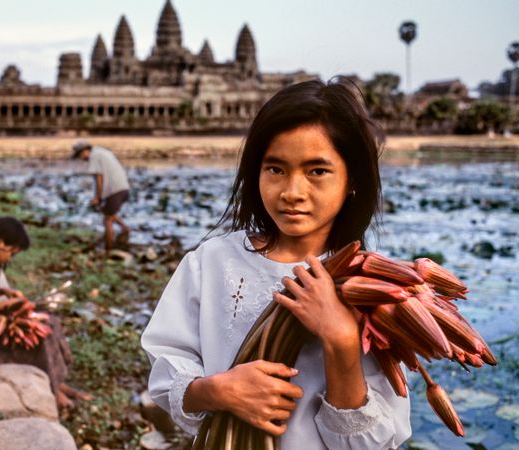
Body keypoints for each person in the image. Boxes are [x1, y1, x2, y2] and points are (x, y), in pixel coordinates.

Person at [141, 80, 411, 449]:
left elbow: (373, 442)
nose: (292, 192)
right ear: (256, 172)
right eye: (276, 169)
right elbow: (167, 371)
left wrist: (342, 340)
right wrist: (217, 390)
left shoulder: (370, 289)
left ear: (353, 181)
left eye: (317, 171)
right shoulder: (212, 262)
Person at [0, 216, 89, 413]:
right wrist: (9, 305)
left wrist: (5, 293)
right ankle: (55, 391)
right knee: (39, 339)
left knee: (49, 321)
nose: (10, 258)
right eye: (12, 252)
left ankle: (57, 382)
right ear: (0, 243)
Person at [72, 141, 131, 253]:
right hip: (123, 188)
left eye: (80, 155)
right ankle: (125, 228)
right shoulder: (101, 152)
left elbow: (98, 179)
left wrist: (97, 197)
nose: (81, 158)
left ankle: (108, 250)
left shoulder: (94, 156)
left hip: (115, 190)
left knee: (107, 220)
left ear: (85, 151)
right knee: (108, 214)